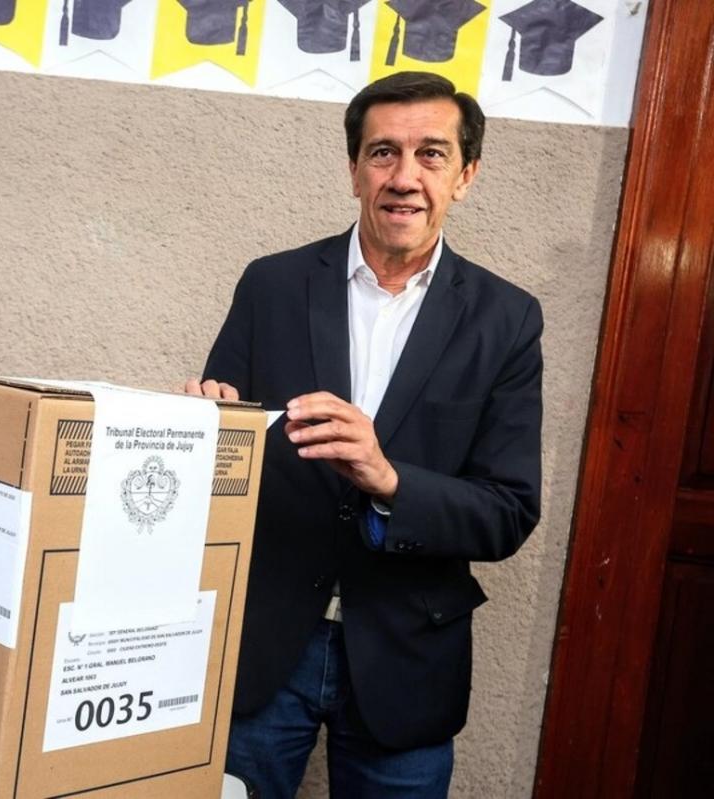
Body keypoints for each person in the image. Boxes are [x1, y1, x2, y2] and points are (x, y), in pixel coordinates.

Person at [186, 72, 542, 797]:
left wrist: (391, 480)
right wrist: (195, 433)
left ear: (466, 175)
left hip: (408, 658)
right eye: (383, 152)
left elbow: (507, 512)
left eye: (431, 154)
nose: (405, 177)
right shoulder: (272, 285)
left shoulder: (506, 319)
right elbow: (222, 466)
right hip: (260, 649)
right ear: (354, 170)